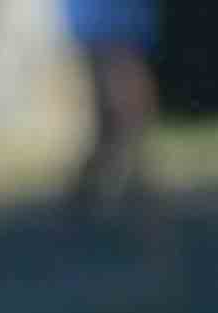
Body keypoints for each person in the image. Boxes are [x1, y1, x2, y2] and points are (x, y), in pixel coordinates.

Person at [63, 0, 162, 226]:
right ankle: (134, 187)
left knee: (116, 117)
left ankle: (128, 186)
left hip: (116, 19)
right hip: (104, 19)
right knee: (120, 109)